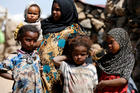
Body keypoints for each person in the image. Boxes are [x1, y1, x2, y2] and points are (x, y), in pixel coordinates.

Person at [38, 0, 86, 92]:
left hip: (60, 80)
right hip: (41, 77)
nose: (54, 12)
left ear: (66, 11)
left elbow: (80, 54)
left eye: (58, 10)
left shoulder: (74, 31)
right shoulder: (46, 25)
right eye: (53, 9)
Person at [0, 25, 43, 93]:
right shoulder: (14, 57)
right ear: (20, 38)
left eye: (34, 40)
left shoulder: (37, 55)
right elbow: (1, 70)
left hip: (37, 90)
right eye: (28, 40)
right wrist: (15, 77)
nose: (31, 43)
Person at [96, 28, 135, 92]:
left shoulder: (128, 57)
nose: (109, 45)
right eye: (108, 43)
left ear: (121, 41)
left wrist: (104, 83)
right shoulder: (107, 56)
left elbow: (123, 80)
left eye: (111, 42)